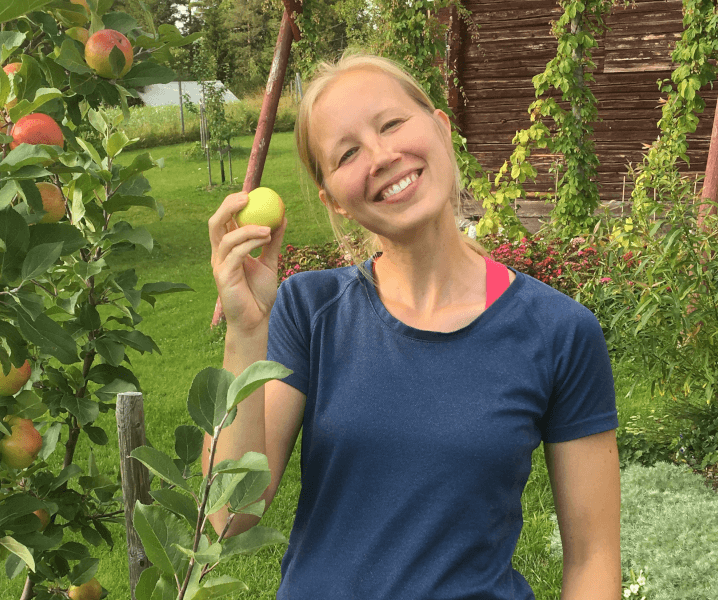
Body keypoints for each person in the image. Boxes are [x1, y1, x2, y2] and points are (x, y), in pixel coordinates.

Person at [207, 50, 621, 600]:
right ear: (335, 200)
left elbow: (594, 559)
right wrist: (244, 333)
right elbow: (228, 516)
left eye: (393, 123)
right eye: (348, 152)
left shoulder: (559, 331)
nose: (381, 155)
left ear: (442, 130)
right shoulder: (310, 309)